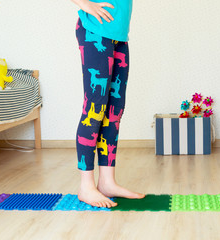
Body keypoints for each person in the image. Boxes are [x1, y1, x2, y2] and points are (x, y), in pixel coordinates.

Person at [71, 0, 145, 208]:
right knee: (95, 108)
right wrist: (86, 4)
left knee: (115, 110)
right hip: (95, 31)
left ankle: (107, 182)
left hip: (119, 36)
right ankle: (86, 186)